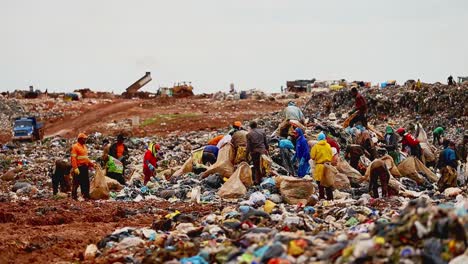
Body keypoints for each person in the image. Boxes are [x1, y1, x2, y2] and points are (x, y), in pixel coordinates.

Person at [70, 133, 95, 200]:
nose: (85, 140)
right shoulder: (75, 147)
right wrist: (75, 168)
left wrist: (92, 164)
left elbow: (86, 158)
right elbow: (73, 158)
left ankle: (86, 195)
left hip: (85, 167)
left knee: (86, 182)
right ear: (80, 139)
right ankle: (74, 196)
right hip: (79, 167)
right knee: (76, 182)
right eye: (84, 139)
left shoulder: (84, 147)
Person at [310, 132, 333, 200]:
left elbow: (312, 157)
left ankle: (322, 197)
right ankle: (330, 198)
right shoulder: (328, 145)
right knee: (328, 182)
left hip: (320, 166)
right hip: (327, 166)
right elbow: (331, 154)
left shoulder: (316, 146)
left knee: (320, 183)